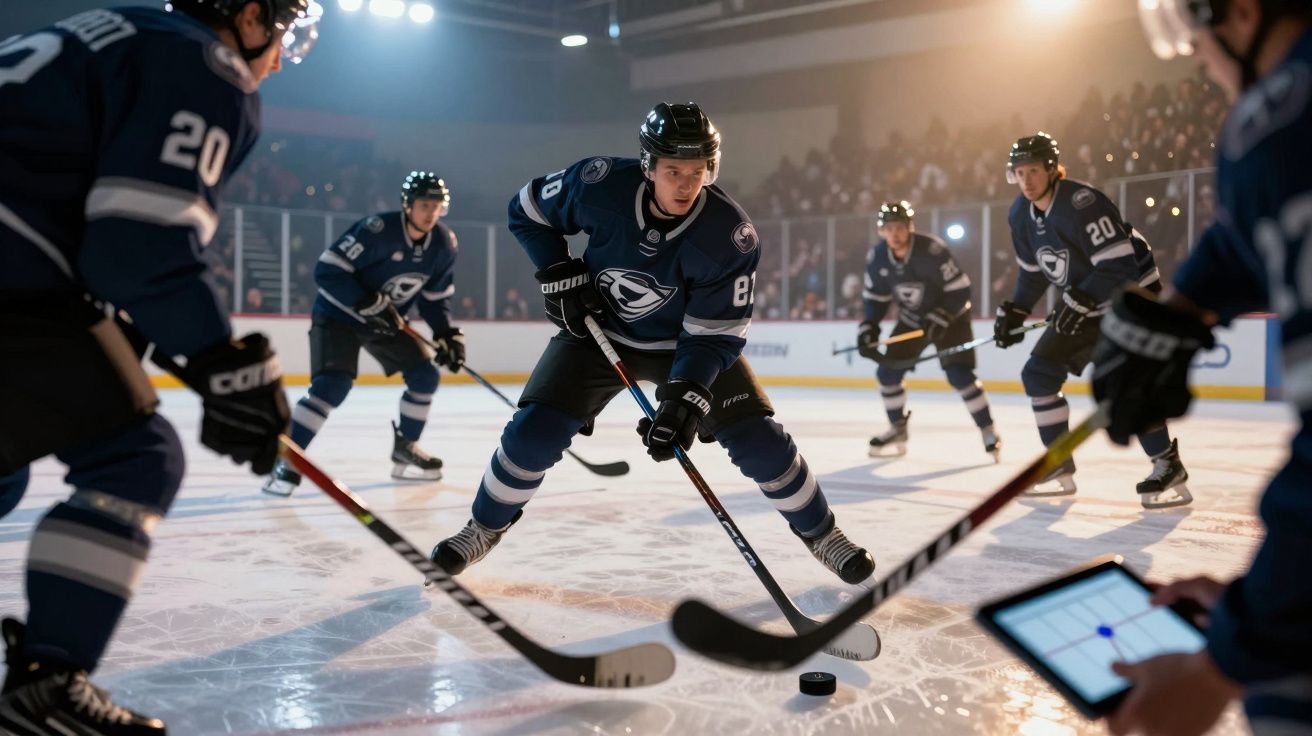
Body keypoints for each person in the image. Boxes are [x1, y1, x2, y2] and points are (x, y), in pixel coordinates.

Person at [0, 0, 315, 731]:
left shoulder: (122, 25)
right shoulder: (208, 67)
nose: (279, 52)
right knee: (135, 459)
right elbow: (139, 243)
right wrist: (222, 363)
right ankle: (46, 683)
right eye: (284, 27)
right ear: (245, 15)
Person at [429, 102, 876, 585]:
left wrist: (685, 399)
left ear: (712, 168)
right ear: (648, 166)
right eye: (672, 171)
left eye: (697, 171)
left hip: (686, 345)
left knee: (758, 439)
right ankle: (482, 528)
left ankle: (823, 534)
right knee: (534, 431)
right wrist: (556, 269)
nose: (685, 184)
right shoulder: (598, 184)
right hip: (599, 335)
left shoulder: (730, 236)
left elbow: (715, 335)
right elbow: (526, 210)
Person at [1095, 1, 1312, 733]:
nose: (1194, 55)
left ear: (1244, 12)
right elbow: (1243, 235)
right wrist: (1179, 309)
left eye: (1192, 29)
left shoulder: (1279, 124)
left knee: (1283, 691)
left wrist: (1223, 665)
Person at [996, 131, 1192, 507]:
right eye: (1019, 173)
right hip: (1086, 300)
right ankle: (1058, 463)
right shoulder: (1020, 214)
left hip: (1131, 298)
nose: (1026, 181)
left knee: (1128, 383)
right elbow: (1035, 272)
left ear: (1052, 170)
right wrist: (1016, 309)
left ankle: (1167, 464)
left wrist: (1079, 298)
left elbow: (1119, 266)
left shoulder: (1082, 203)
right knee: (1038, 374)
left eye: (1033, 171)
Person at [262, 172, 464, 495]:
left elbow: (435, 300)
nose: (431, 213)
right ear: (408, 205)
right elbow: (327, 270)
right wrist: (364, 301)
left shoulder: (443, 244)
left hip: (384, 320)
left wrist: (448, 334)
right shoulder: (378, 231)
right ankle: (285, 459)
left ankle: (405, 448)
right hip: (338, 314)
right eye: (425, 204)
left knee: (425, 376)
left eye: (437, 206)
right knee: (332, 386)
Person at [859, 200, 1001, 460]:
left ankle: (988, 429)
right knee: (887, 372)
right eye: (888, 228)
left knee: (959, 375)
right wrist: (869, 326)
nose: (894, 233)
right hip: (914, 320)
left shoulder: (932, 250)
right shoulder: (877, 257)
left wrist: (942, 315)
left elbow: (961, 290)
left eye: (899, 227)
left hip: (951, 319)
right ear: (881, 230)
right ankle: (898, 428)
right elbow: (876, 298)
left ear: (909, 227)